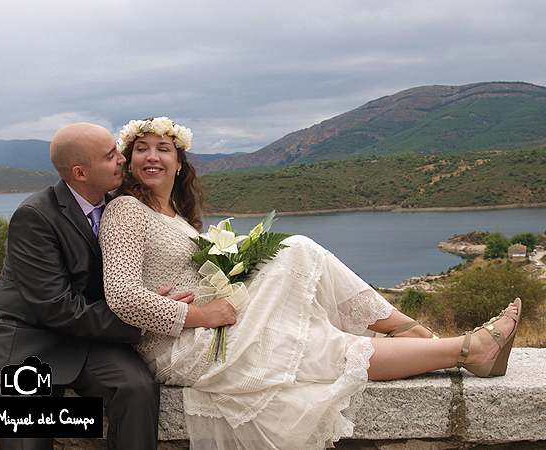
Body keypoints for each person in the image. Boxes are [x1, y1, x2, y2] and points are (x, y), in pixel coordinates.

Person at [99, 117, 522, 450]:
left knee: (316, 324)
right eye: (141, 149)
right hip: (181, 346)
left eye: (163, 148)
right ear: (129, 159)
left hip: (216, 326)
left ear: (179, 161)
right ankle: (437, 338)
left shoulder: (178, 216)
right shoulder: (125, 212)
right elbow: (120, 295)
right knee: (297, 251)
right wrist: (199, 314)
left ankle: (456, 346)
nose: (151, 157)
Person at [0, 122, 169, 450]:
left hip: (88, 340)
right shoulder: (34, 217)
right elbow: (58, 307)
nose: (122, 159)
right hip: (26, 343)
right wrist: (145, 322)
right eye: (110, 155)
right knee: (28, 442)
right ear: (80, 173)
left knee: (137, 388)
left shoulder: (121, 202)